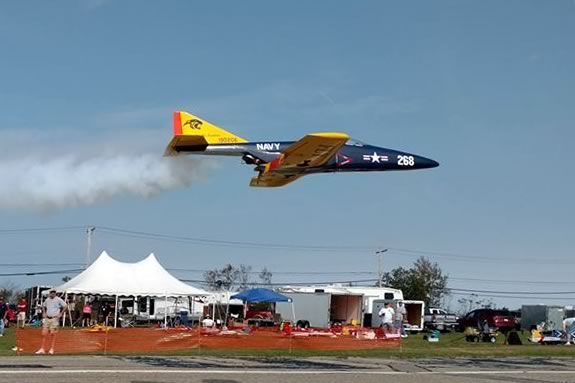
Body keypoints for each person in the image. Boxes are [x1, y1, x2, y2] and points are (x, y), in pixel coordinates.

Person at [35, 289, 66, 355]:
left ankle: (51, 349)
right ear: (50, 293)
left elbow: (65, 306)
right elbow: (43, 305)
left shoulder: (58, 299)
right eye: (51, 293)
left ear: (55, 293)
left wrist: (61, 313)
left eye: (54, 293)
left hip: (54, 319)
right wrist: (44, 312)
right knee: (44, 333)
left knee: (52, 334)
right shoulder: (47, 299)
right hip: (47, 318)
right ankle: (42, 348)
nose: (52, 294)